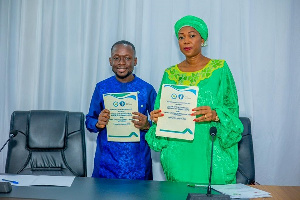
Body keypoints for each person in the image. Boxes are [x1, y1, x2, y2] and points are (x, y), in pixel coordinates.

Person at [145, 15, 244, 185]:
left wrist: (215, 114)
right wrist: (157, 117)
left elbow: (231, 109)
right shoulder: (170, 74)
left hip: (211, 153)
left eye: (192, 35)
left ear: (203, 39)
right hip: (178, 155)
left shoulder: (219, 69)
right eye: (181, 37)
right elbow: (161, 109)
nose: (186, 41)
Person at [86, 40, 157, 180]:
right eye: (117, 58)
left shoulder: (146, 89)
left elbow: (161, 125)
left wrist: (147, 125)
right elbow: (89, 120)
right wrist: (98, 123)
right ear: (110, 61)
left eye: (127, 58)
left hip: (139, 166)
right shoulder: (102, 87)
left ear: (135, 61)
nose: (122, 62)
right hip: (107, 164)